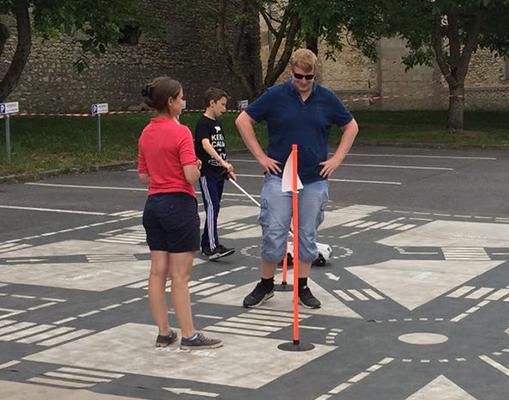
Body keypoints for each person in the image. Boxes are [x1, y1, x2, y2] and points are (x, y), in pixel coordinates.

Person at [235, 49, 359, 309]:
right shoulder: (275, 95)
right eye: (299, 76)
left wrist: (336, 159)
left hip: (314, 178)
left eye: (309, 77)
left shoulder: (326, 98)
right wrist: (260, 157)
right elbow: (243, 120)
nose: (303, 82)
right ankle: (265, 284)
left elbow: (351, 126)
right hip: (279, 176)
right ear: (290, 71)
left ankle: (302, 286)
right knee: (273, 231)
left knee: (306, 234)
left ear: (315, 74)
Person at [137, 77, 222, 349]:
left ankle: (164, 332)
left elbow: (143, 177)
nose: (183, 102)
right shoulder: (182, 132)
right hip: (179, 205)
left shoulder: (145, 133)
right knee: (181, 277)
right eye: (181, 97)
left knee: (156, 273)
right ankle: (189, 334)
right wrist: (196, 165)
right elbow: (190, 175)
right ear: (171, 102)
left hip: (154, 205)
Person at [195, 87, 237, 260]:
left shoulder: (218, 124)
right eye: (222, 105)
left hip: (218, 173)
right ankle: (213, 247)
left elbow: (220, 148)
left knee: (216, 208)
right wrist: (222, 162)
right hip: (207, 173)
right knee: (212, 207)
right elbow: (206, 145)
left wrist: (226, 169)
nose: (224, 109)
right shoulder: (203, 123)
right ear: (211, 103)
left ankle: (206, 243)